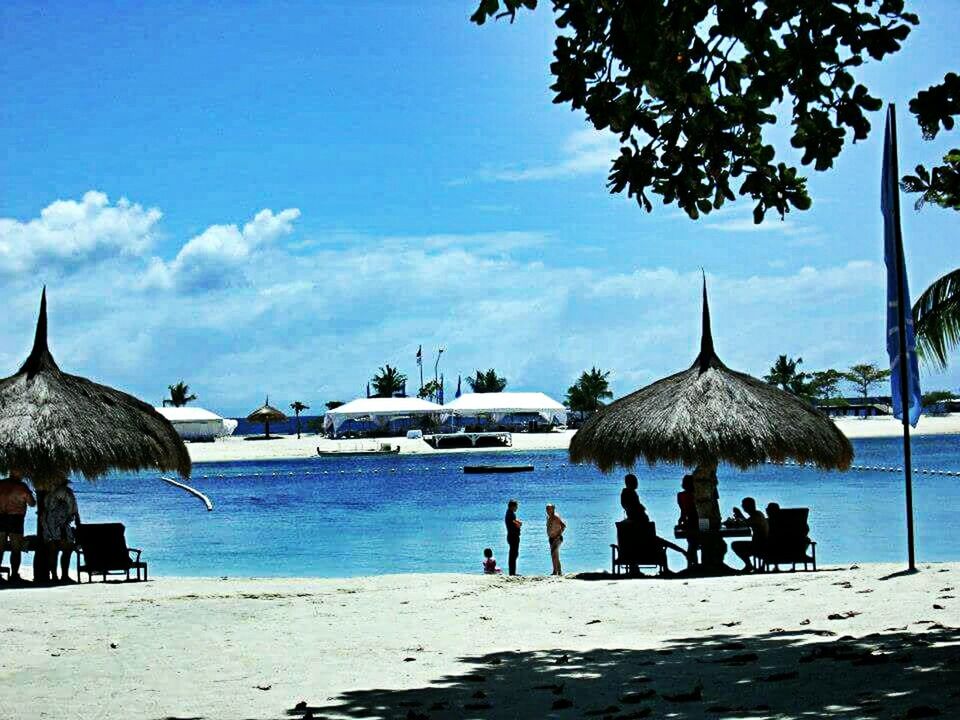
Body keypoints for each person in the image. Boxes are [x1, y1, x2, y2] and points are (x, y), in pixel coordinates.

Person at [0, 471, 36, 583]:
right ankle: (14, 575)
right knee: (16, 549)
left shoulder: (1, 484)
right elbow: (32, 503)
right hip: (16, 518)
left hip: (0, 518)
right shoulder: (22, 487)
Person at [42, 482, 80, 583]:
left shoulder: (49, 494)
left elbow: (46, 508)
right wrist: (77, 520)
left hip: (49, 524)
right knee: (67, 550)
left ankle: (54, 576)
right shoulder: (66, 492)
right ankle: (64, 575)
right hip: (61, 525)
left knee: (53, 552)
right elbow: (73, 508)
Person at [731, 497, 768, 572]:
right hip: (761, 543)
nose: (743, 507)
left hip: (760, 545)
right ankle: (749, 565)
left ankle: (749, 565)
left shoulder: (757, 516)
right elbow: (747, 522)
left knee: (735, 545)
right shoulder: (757, 514)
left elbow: (745, 524)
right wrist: (740, 516)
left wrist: (740, 514)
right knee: (737, 545)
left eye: (743, 506)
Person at [676, 474, 700, 567]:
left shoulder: (681, 495)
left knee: (691, 544)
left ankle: (691, 565)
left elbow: (683, 510)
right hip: (702, 520)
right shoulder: (697, 495)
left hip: (690, 521)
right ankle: (697, 565)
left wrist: (681, 519)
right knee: (704, 541)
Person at [545, 504, 566, 576]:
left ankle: (555, 572)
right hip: (551, 538)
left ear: (553, 509)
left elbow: (563, 525)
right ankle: (559, 572)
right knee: (554, 555)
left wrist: (558, 536)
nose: (547, 510)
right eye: (547, 509)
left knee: (554, 554)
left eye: (549, 509)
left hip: (557, 538)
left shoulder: (556, 517)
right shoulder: (548, 517)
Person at [504, 499, 522, 576]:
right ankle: (512, 573)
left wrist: (518, 523)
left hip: (512, 536)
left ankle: (512, 572)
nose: (517, 508)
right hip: (513, 536)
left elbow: (514, 521)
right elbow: (516, 523)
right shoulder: (510, 514)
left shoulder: (510, 513)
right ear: (512, 506)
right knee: (513, 555)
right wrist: (519, 523)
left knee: (514, 554)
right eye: (516, 506)